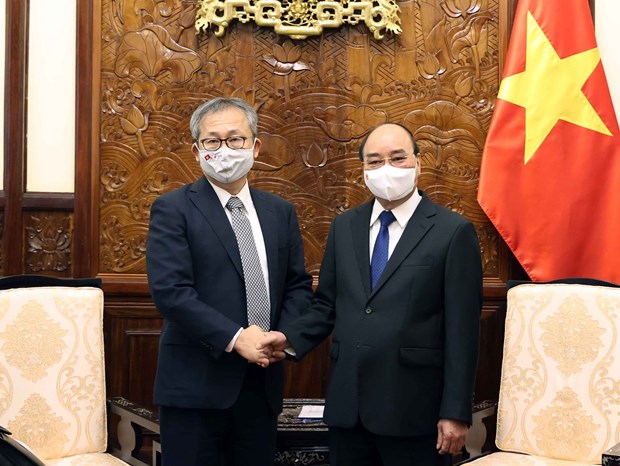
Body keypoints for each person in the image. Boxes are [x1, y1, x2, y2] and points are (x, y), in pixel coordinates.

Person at [260, 123, 483, 466]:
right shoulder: (344, 226)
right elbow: (326, 305)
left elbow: (462, 332)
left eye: (397, 158)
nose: (386, 169)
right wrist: (288, 339)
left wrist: (456, 412)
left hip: (415, 414)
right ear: (363, 168)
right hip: (349, 410)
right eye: (374, 161)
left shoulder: (453, 232)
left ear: (418, 163)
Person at [146, 97, 313, 466]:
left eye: (235, 139)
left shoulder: (280, 212)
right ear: (196, 150)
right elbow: (171, 293)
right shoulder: (172, 209)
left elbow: (297, 285)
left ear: (255, 146)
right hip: (195, 388)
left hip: (262, 383)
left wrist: (282, 336)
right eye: (212, 141)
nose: (224, 149)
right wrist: (237, 338)